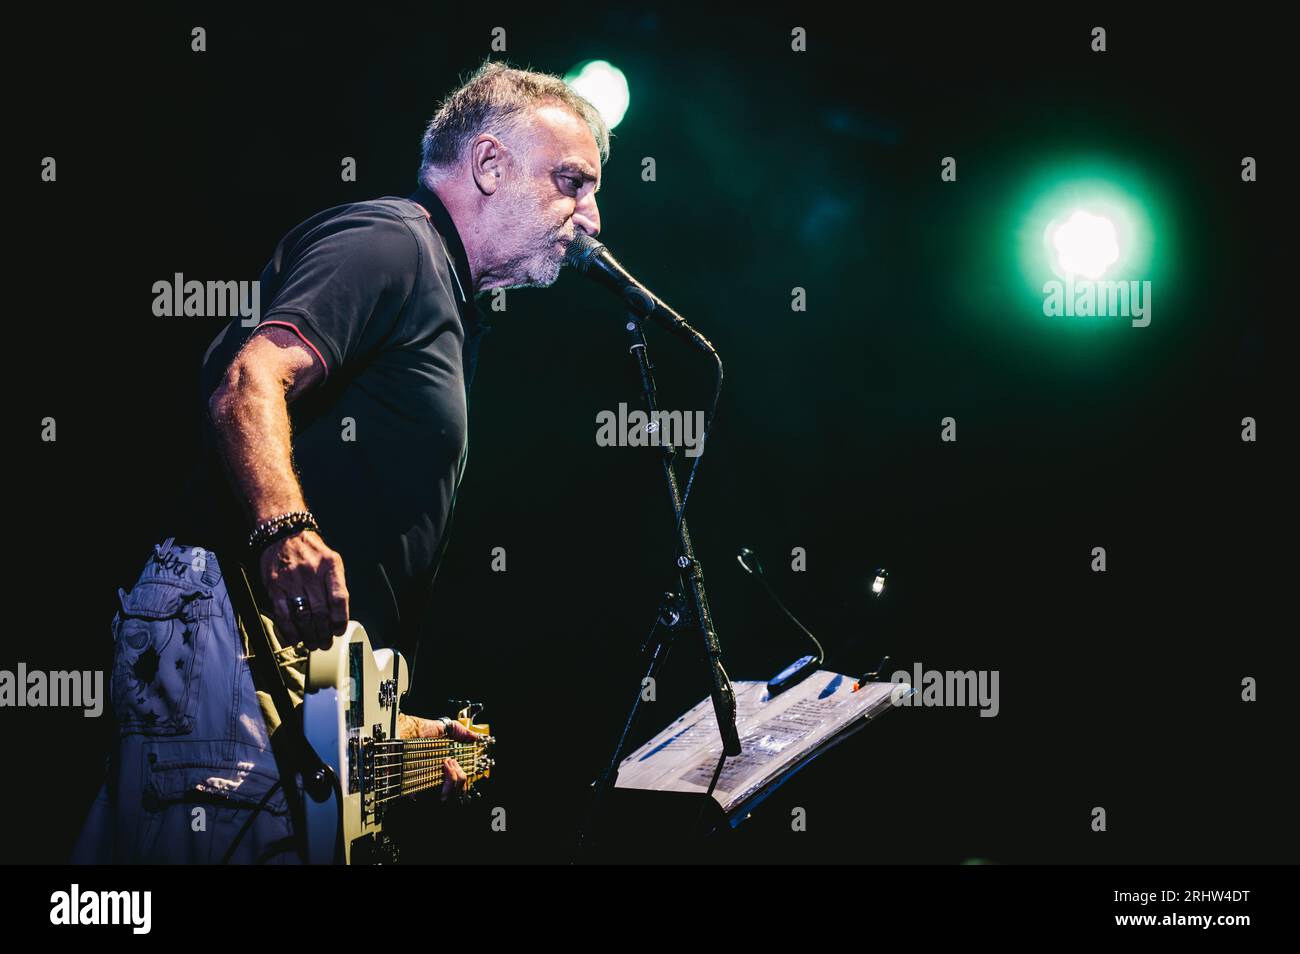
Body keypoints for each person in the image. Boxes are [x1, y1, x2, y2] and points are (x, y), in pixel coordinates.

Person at [71, 60, 608, 863]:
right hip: (229, 628)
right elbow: (247, 378)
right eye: (573, 182)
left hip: (271, 668)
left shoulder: (452, 306)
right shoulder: (393, 242)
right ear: (490, 165)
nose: (591, 218)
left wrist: (390, 728)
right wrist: (283, 527)